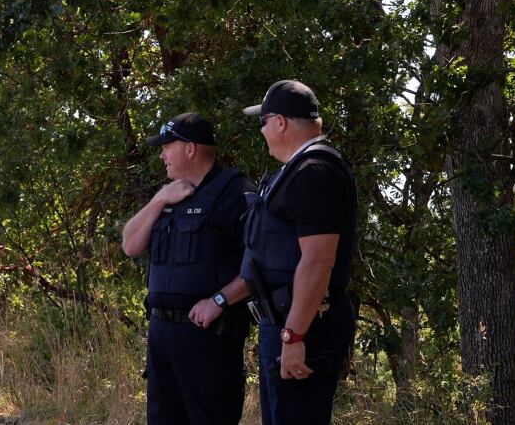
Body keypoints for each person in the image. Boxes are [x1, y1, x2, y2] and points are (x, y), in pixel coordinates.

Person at [190, 80, 358, 424]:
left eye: (263, 122)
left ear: (280, 122)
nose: (262, 131)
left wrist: (294, 335)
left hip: (306, 327)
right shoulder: (297, 171)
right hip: (286, 322)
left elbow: (318, 261)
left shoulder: (315, 173)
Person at [122, 112, 253, 424]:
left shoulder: (235, 193)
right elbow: (130, 245)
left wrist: (220, 300)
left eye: (168, 146)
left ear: (190, 149)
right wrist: (158, 200)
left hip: (208, 338)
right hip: (162, 334)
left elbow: (261, 263)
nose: (162, 154)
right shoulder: (169, 194)